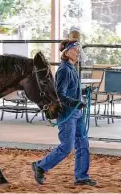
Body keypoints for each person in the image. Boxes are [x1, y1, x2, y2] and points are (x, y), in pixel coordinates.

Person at [31, 38, 97, 186]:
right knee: (67, 147)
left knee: (83, 144)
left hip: (76, 113)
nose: (78, 51)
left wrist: (83, 92)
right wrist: (75, 102)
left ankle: (81, 177)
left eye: (78, 49)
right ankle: (40, 166)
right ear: (67, 53)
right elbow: (59, 94)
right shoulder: (64, 70)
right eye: (75, 49)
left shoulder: (71, 68)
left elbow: (71, 90)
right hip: (68, 114)